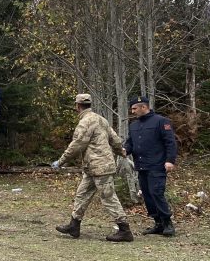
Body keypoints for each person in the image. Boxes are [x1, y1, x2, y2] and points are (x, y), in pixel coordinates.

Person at [52, 94, 132, 242]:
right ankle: (74, 225)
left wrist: (61, 161)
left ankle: (124, 230)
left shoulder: (85, 122)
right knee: (81, 195)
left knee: (109, 198)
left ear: (77, 106)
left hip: (99, 167)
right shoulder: (101, 119)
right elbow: (114, 139)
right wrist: (122, 152)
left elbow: (77, 144)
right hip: (93, 168)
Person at [124, 96, 178, 237]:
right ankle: (158, 223)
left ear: (144, 107)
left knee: (156, 193)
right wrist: (124, 150)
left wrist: (170, 160)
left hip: (157, 165)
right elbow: (130, 143)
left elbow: (170, 142)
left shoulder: (160, 121)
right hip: (141, 166)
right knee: (147, 195)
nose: (132, 111)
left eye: (135, 108)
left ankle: (167, 223)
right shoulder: (134, 125)